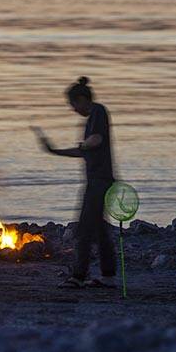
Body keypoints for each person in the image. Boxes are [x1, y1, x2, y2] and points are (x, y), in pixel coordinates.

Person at [33, 77, 116, 288]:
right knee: (99, 230)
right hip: (101, 181)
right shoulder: (91, 120)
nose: (73, 109)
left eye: (73, 104)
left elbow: (95, 140)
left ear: (81, 99)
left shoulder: (98, 111)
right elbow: (83, 150)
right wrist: (54, 150)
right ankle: (108, 277)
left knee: (84, 230)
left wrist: (84, 144)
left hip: (99, 182)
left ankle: (78, 277)